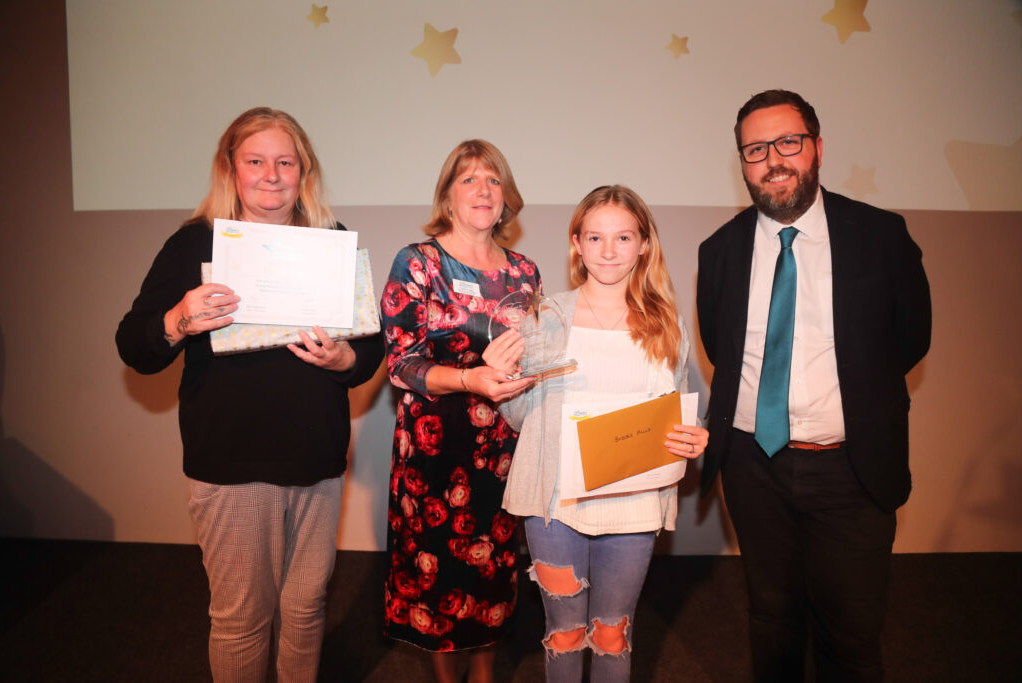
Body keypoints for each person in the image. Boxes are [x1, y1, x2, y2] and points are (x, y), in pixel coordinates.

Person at [115, 107, 384, 683]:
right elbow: (134, 345)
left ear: (303, 172)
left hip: (317, 459)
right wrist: (180, 318)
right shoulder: (195, 244)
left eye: (284, 161)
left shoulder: (331, 242)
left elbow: (371, 347)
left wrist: (345, 359)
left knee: (307, 607)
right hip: (231, 464)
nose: (271, 174)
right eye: (255, 161)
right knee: (242, 620)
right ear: (230, 169)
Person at [696, 89, 931, 681]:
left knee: (851, 637)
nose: (773, 159)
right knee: (771, 622)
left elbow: (911, 339)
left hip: (850, 472)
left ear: (817, 148)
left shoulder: (881, 236)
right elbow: (719, 345)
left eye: (788, 142)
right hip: (753, 468)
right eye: (755, 149)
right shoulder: (719, 251)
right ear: (742, 164)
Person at [500, 185, 709, 682]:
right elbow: (519, 418)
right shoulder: (546, 316)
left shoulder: (666, 322)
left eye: (623, 237)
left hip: (634, 500)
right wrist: (505, 381)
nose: (609, 251)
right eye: (595, 237)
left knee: (613, 634)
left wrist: (694, 434)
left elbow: (675, 407)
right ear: (576, 243)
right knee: (566, 633)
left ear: (644, 245)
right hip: (555, 504)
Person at [380, 139, 538, 683]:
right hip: (434, 447)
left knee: (495, 566)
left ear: (506, 198)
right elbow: (400, 363)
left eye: (493, 180)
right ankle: (448, 679)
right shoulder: (419, 262)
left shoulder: (524, 272)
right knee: (438, 572)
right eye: (469, 179)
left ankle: (487, 671)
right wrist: (470, 379)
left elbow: (536, 354)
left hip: (502, 447)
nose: (482, 190)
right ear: (448, 197)